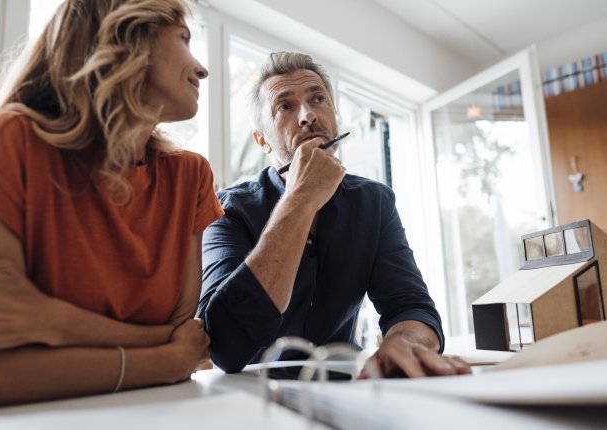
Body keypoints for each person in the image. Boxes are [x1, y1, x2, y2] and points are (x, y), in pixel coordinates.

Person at [0, 0, 223, 410]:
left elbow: (182, 338)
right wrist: (164, 360)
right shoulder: (11, 143)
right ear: (125, 41)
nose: (201, 68)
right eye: (183, 39)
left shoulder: (189, 177)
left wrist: (49, 322)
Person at [198, 52, 471, 378]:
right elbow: (224, 344)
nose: (308, 115)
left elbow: (409, 306)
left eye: (318, 99)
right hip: (249, 395)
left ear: (335, 117)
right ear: (262, 140)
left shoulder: (375, 202)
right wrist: (300, 199)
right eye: (285, 106)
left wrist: (407, 341)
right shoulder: (225, 209)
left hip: (343, 386)